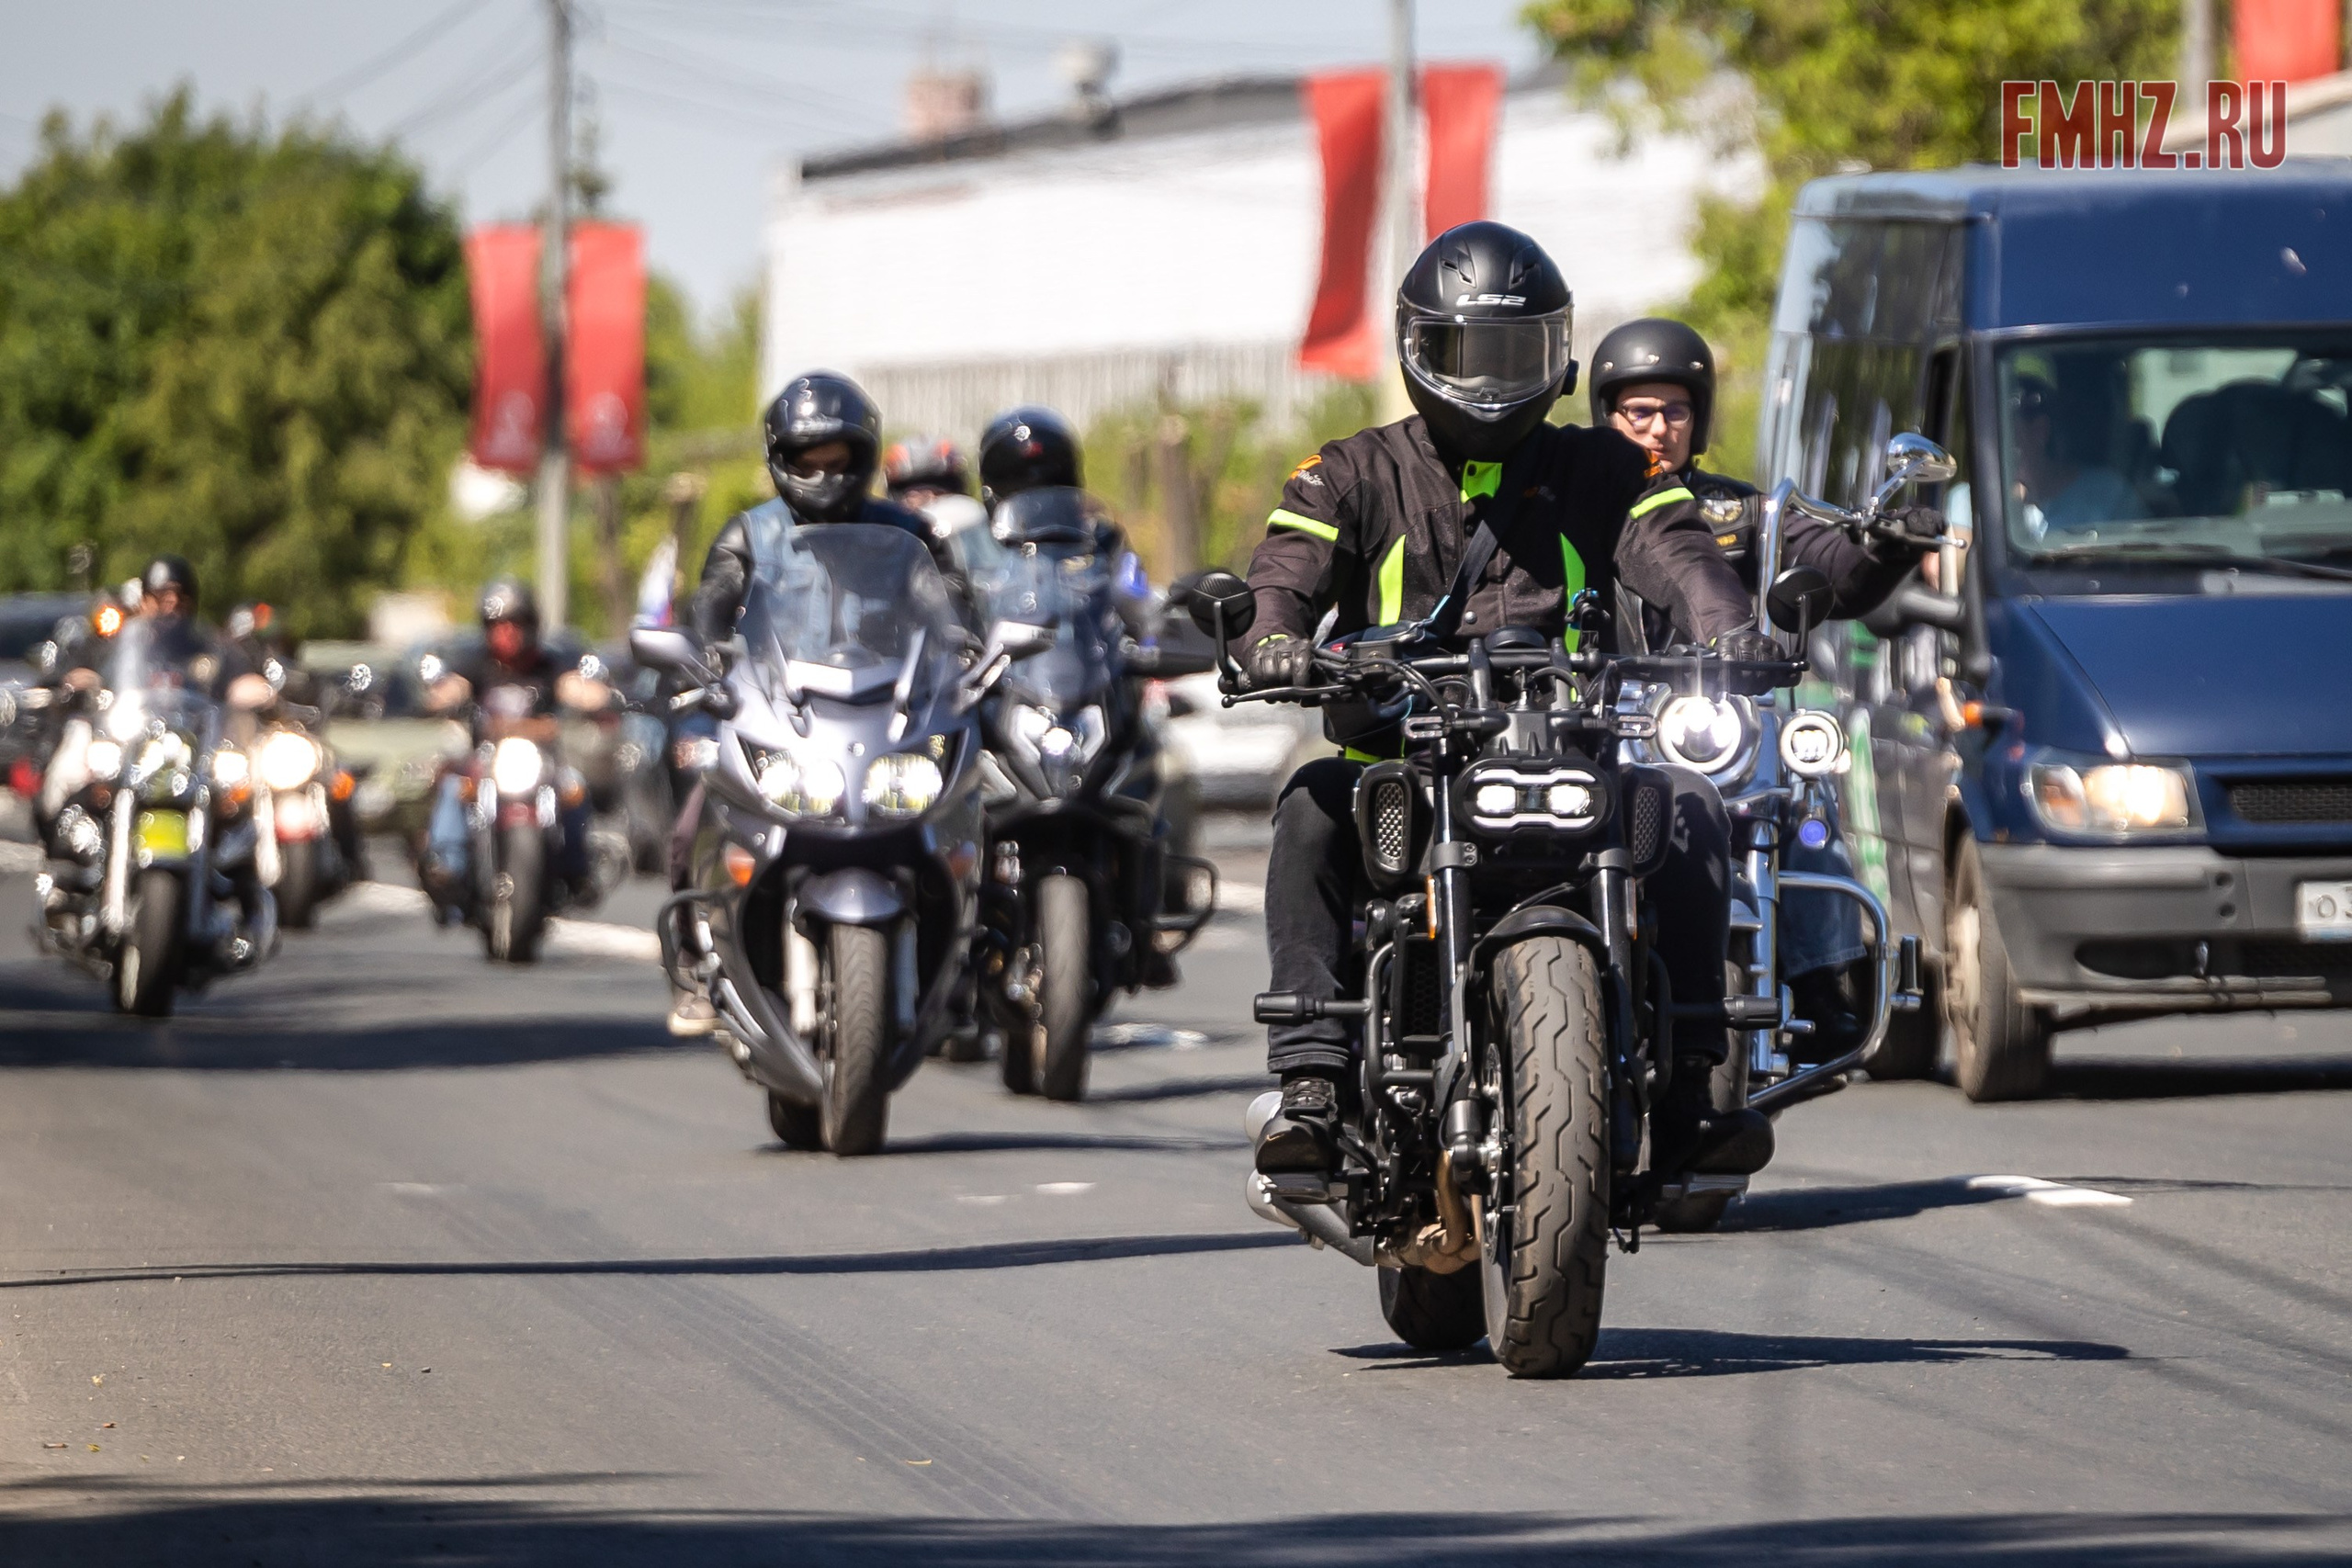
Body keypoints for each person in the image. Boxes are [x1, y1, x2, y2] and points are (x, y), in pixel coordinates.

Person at [1243, 221, 1779, 1183]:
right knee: (1311, 809)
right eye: (1466, 352)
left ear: (1558, 355)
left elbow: (1681, 554)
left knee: (1693, 808)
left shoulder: (1610, 471)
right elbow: (1283, 572)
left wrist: (1728, 626)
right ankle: (1312, 1086)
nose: (1490, 379)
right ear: (1418, 350)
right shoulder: (1350, 470)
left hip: (1574, 744)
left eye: (1515, 353)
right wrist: (1274, 641)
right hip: (1405, 760)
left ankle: (1693, 1092)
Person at [1592, 318, 1944, 1054]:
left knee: (1798, 808)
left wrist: (1883, 547)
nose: (1659, 427)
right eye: (1640, 412)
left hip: (1711, 722)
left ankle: (1826, 978)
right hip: (1600, 723)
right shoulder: (1574, 504)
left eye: (1675, 411)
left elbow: (1827, 567)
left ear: (1699, 419)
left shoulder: (1739, 512)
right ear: (1607, 417)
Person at [665, 371, 933, 1033]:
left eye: (835, 460)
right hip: (781, 722)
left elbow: (951, 608)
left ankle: (973, 958)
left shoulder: (906, 533)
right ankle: (697, 963)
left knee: (965, 820)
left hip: (881, 722)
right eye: (805, 461)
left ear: (862, 457)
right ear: (780, 460)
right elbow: (713, 609)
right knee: (691, 824)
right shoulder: (749, 536)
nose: (821, 474)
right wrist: (696, 661)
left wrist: (973, 658)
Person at [419, 578, 608, 919]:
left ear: (531, 626)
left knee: (575, 786)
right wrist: (438, 697)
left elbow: (575, 688)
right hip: (487, 760)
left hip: (540, 762)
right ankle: (448, 865)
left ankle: (578, 870)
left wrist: (599, 697)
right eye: (496, 626)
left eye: (513, 624)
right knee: (453, 787)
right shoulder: (477, 664)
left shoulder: (548, 665)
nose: (505, 633)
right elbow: (453, 689)